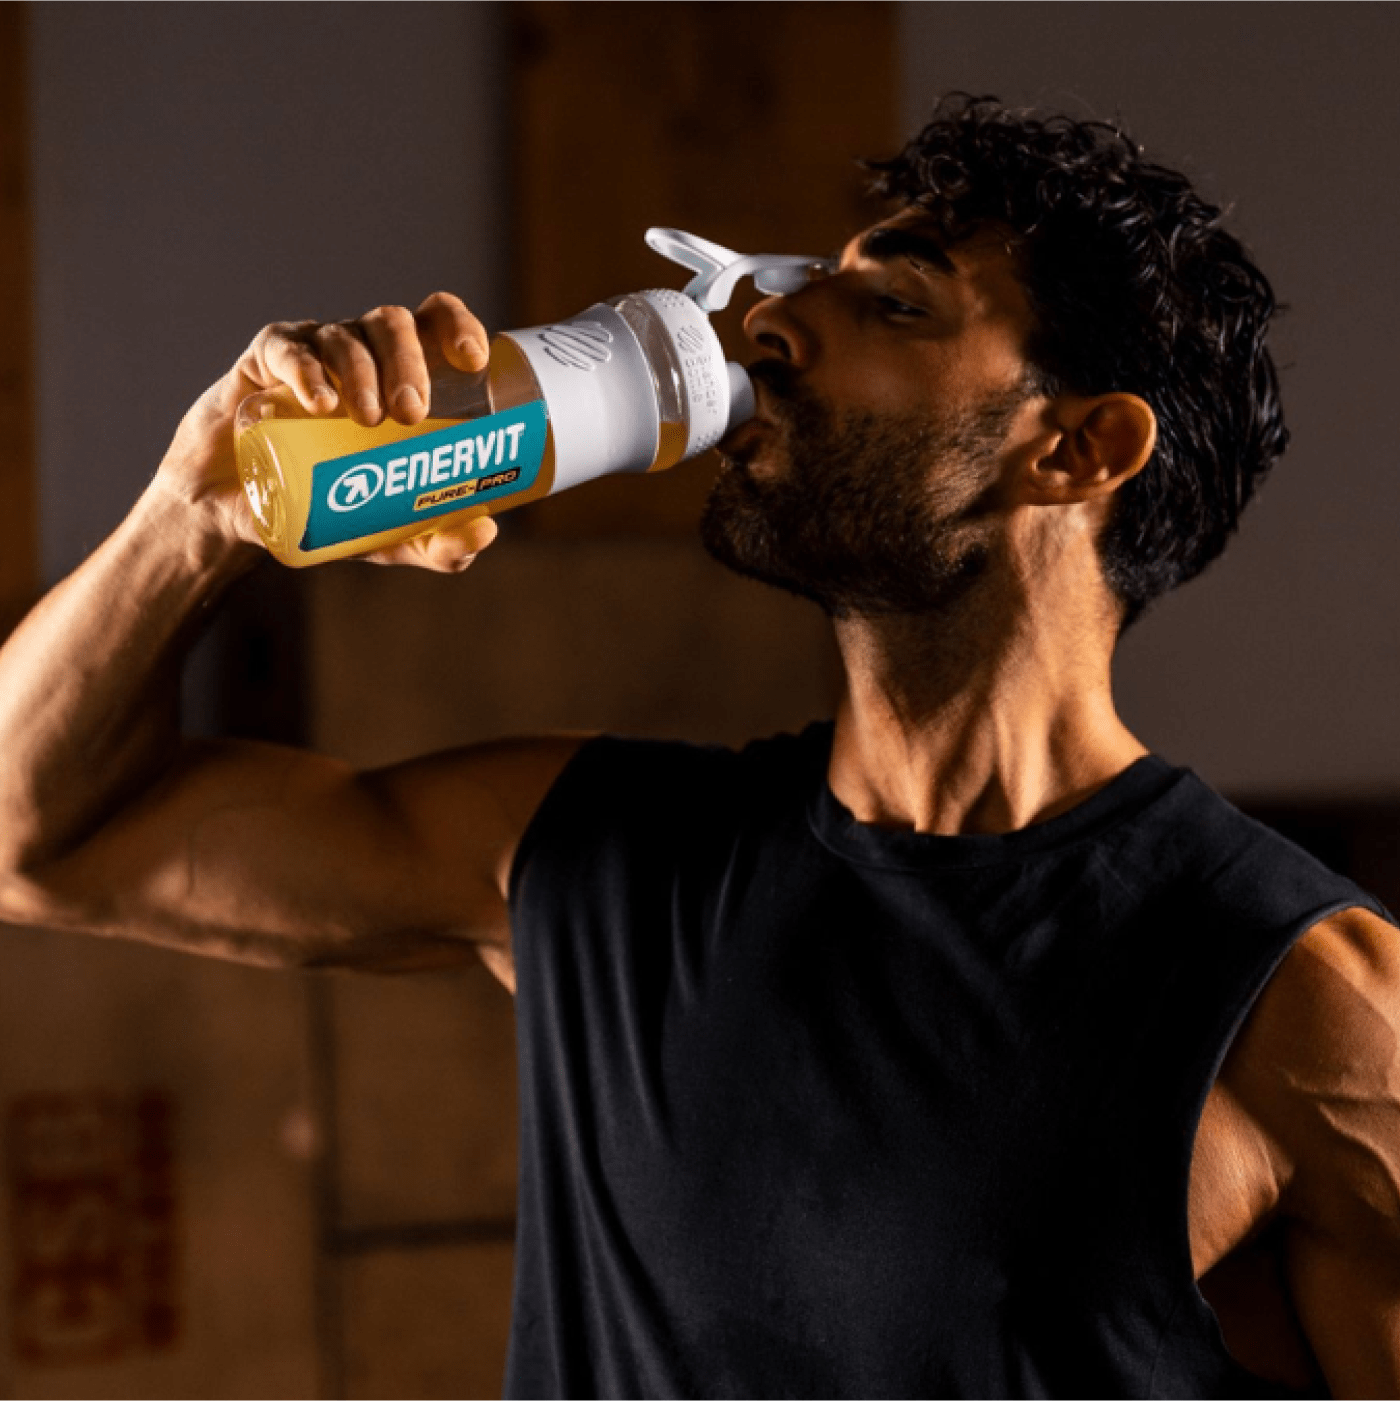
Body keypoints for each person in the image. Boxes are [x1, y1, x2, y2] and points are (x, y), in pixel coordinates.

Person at [0, 92, 1396, 1399]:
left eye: (897, 305)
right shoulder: (595, 856)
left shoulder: (1303, 1004)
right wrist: (195, 512)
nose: (770, 328)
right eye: (815, 284)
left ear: (1080, 451)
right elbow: (37, 835)